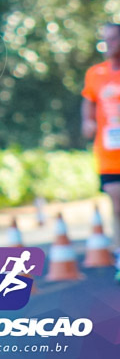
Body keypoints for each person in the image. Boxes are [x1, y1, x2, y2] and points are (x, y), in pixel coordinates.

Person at [81, 22, 120, 280]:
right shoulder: (95, 74)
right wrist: (87, 121)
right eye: (105, 40)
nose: (108, 45)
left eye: (114, 39)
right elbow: (88, 104)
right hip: (108, 155)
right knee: (117, 205)